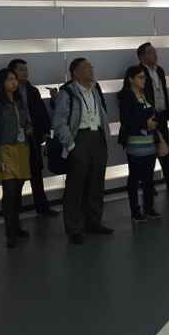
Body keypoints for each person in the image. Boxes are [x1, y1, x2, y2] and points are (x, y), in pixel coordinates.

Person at [52, 58, 114, 245]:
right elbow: (59, 122)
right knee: (75, 186)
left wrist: (105, 137)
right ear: (76, 73)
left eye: (91, 67)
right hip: (79, 139)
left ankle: (94, 222)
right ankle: (74, 228)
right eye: (86, 67)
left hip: (97, 138)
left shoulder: (95, 88)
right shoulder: (67, 92)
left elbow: (101, 113)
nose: (91, 70)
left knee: (96, 183)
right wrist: (71, 145)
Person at [8, 59, 59, 216]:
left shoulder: (32, 90)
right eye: (21, 70)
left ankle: (42, 207)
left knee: (36, 173)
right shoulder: (8, 92)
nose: (25, 72)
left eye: (26, 69)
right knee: (18, 177)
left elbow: (41, 113)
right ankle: (13, 213)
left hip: (33, 137)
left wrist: (46, 132)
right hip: (17, 141)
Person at [0, 68, 32, 249]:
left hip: (21, 148)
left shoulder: (20, 101)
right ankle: (10, 231)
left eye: (15, 79)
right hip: (5, 150)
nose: (14, 82)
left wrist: (28, 127)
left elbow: (26, 121)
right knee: (9, 191)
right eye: (9, 79)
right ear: (2, 83)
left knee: (18, 189)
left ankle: (16, 225)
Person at [136, 43, 169, 191]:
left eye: (154, 51)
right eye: (150, 52)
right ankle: (148, 185)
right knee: (149, 153)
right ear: (142, 56)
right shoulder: (138, 72)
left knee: (165, 149)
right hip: (148, 117)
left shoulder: (159, 70)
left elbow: (162, 91)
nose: (155, 54)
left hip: (161, 115)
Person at [117, 66, 160, 223]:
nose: (144, 80)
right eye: (140, 77)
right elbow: (127, 119)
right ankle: (135, 210)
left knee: (149, 178)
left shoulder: (145, 94)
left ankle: (149, 207)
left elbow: (152, 113)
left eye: (144, 77)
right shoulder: (126, 96)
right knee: (134, 177)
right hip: (135, 143)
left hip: (149, 142)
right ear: (131, 79)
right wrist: (145, 123)